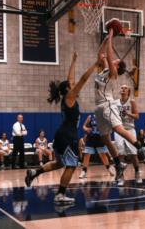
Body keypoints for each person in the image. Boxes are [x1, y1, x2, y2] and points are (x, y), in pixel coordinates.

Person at [25, 52, 99, 205]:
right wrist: (96, 65)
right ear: (67, 90)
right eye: (71, 86)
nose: (73, 85)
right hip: (67, 135)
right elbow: (83, 79)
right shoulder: (70, 97)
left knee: (59, 163)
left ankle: (34, 173)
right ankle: (60, 195)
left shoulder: (67, 97)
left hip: (61, 134)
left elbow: (70, 79)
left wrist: (73, 61)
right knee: (71, 166)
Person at [94, 28, 142, 181]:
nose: (112, 60)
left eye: (115, 61)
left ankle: (140, 146)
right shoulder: (104, 71)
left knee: (118, 129)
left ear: (117, 67)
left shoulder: (113, 73)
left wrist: (111, 36)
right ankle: (118, 163)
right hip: (98, 107)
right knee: (105, 138)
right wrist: (104, 41)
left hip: (108, 104)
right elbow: (100, 55)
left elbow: (107, 55)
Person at [114, 85, 142, 185]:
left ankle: (137, 172)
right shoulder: (115, 102)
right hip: (119, 129)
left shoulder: (131, 101)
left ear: (128, 91)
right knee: (120, 153)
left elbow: (137, 116)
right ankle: (121, 177)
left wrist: (128, 114)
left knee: (133, 154)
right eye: (121, 87)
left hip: (130, 129)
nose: (123, 89)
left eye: (125, 88)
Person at [79, 114, 114, 179]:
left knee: (102, 155)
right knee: (87, 155)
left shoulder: (104, 117)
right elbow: (83, 126)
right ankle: (84, 171)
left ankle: (109, 169)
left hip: (100, 138)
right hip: (90, 138)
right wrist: (86, 128)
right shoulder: (90, 117)